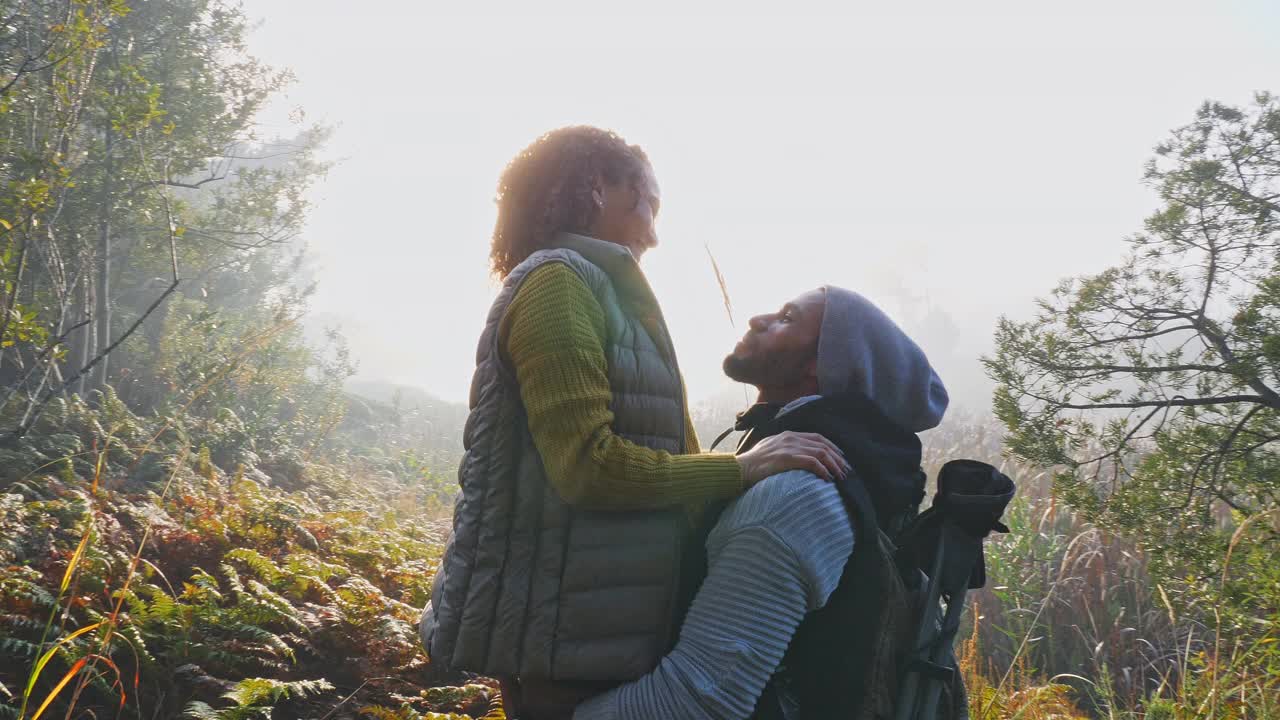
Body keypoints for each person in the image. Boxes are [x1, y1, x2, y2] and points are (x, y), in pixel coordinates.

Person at [419, 126, 847, 720]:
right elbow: (587, 469)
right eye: (651, 202)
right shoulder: (558, 286)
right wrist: (742, 470)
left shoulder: (602, 290)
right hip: (562, 641)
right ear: (600, 189)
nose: (655, 226)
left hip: (594, 628)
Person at [574, 286, 950, 720]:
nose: (758, 319)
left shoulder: (794, 498)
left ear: (821, 363)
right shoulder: (823, 468)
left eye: (788, 318)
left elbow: (696, 703)